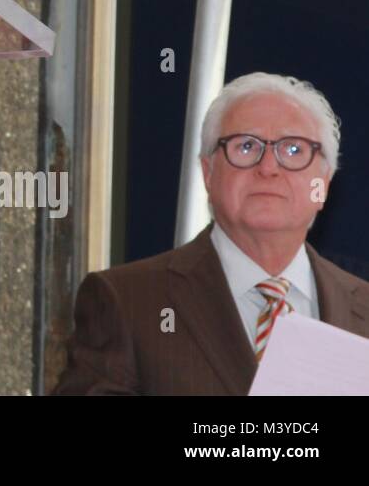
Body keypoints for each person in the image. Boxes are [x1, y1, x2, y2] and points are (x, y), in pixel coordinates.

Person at [55, 72, 369, 395]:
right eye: (247, 146)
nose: (268, 168)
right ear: (208, 173)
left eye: (293, 150)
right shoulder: (127, 301)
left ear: (325, 183)